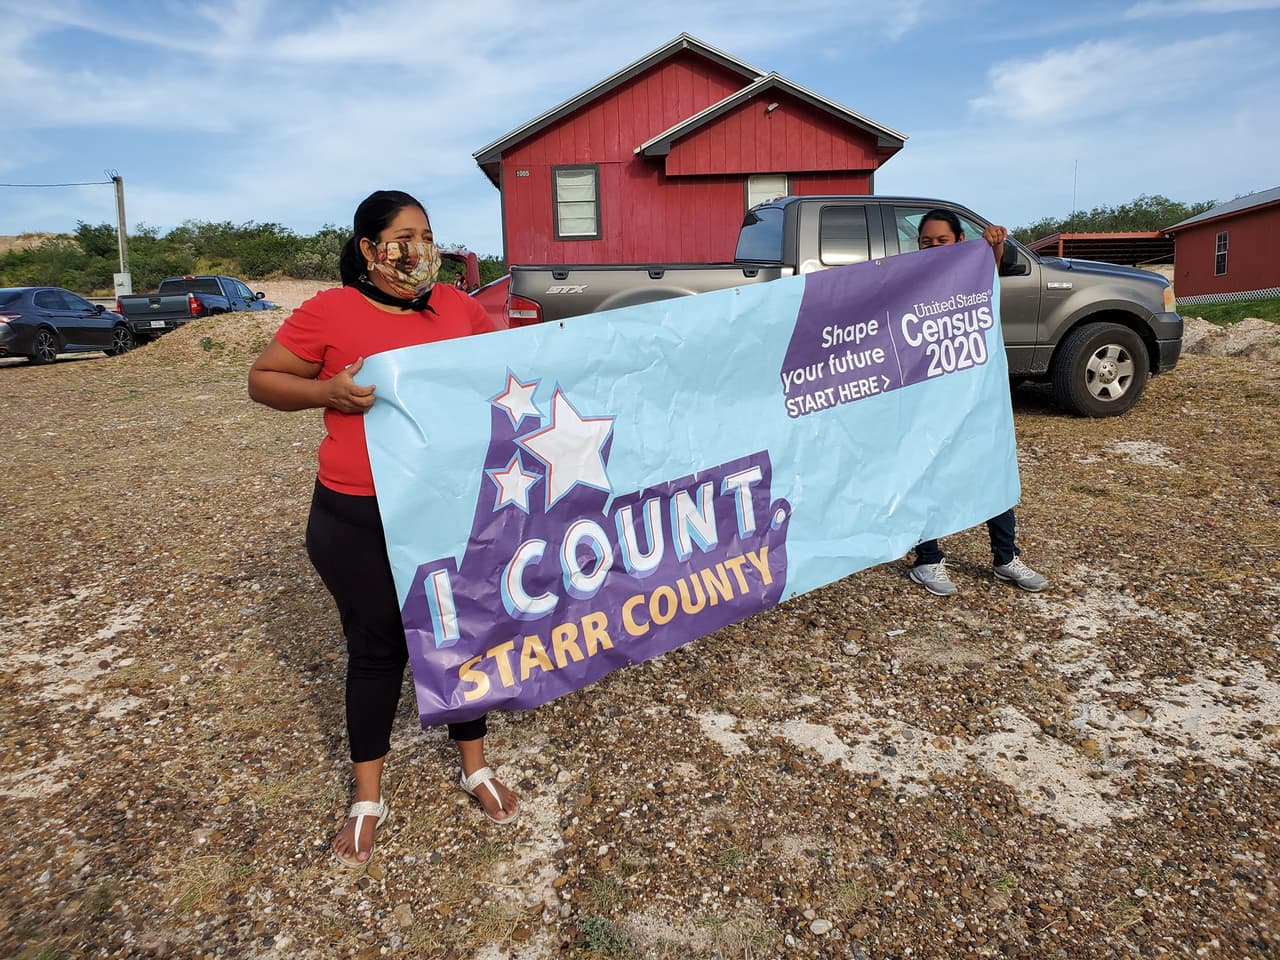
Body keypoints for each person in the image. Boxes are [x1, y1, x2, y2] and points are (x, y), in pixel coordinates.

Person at [248, 189, 518, 868]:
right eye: (402, 237)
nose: (417, 248)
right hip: (354, 513)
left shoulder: (459, 308)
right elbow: (264, 380)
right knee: (379, 650)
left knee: (458, 635)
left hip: (445, 508)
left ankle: (475, 768)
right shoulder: (330, 311)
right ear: (368, 250)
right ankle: (368, 798)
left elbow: (509, 373)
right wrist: (325, 391)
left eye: (426, 235)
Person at [907, 209, 1048, 597]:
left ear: (958, 242)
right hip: (929, 395)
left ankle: (1006, 557)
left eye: (942, 241)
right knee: (931, 471)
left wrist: (996, 244)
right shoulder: (910, 280)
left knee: (990, 467)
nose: (933, 247)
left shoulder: (969, 278)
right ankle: (928, 559)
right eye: (925, 241)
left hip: (973, 391)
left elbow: (987, 270)